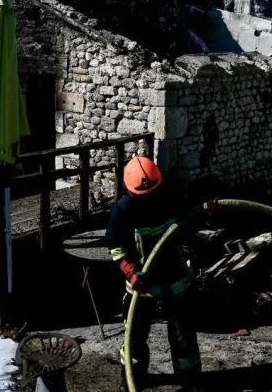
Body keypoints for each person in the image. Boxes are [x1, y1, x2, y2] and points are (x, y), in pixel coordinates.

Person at [106, 156, 201, 392]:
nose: (150, 200)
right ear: (130, 192)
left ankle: (190, 380)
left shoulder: (171, 198)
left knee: (183, 336)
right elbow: (117, 247)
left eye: (154, 193)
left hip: (175, 278)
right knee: (134, 340)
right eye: (144, 196)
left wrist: (207, 211)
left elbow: (189, 222)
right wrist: (131, 272)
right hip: (141, 282)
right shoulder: (122, 211)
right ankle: (132, 379)